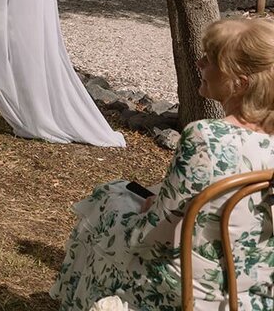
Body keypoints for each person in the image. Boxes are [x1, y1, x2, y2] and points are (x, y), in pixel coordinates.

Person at [51, 17, 274, 310]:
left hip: (194, 289)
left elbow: (151, 237)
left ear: (240, 83)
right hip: (255, 289)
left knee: (108, 200)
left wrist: (131, 213)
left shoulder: (208, 138)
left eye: (210, 59)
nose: (198, 63)